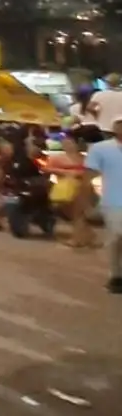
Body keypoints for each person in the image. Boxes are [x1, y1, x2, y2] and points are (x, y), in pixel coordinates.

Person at [79, 117, 122, 294]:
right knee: (117, 237)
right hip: (114, 201)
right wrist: (86, 204)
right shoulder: (101, 149)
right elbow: (88, 177)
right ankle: (116, 275)